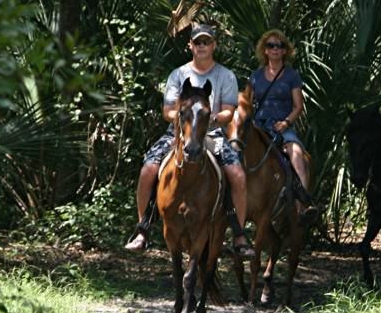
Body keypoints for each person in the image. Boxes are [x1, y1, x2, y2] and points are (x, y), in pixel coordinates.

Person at [124, 23, 255, 257]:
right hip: (178, 133)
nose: (201, 46)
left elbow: (228, 111)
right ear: (190, 45)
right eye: (197, 42)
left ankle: (239, 234)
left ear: (214, 45)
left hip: (211, 133)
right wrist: (187, 120)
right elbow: (167, 111)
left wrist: (208, 119)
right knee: (147, 169)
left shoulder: (225, 75)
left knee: (237, 175)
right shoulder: (178, 74)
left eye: (206, 42)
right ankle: (142, 229)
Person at [247, 29, 319, 225]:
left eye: (279, 46)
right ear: (265, 50)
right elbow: (246, 103)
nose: (275, 49)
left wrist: (286, 122)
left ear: (285, 50)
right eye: (271, 45)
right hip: (259, 126)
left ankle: (303, 203)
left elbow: (298, 106)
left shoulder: (292, 76)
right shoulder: (256, 76)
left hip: (282, 126)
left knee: (296, 154)